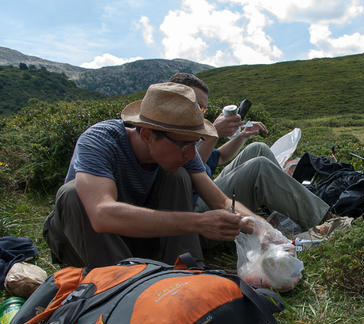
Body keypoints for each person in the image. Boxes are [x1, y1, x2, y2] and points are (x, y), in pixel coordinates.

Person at [43, 82, 259, 268]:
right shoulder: (100, 140)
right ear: (147, 134)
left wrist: (264, 231)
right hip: (84, 241)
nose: (192, 153)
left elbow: (220, 200)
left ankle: (187, 269)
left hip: (137, 237)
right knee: (73, 194)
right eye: (185, 145)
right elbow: (102, 215)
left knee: (178, 176)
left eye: (195, 143)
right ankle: (128, 284)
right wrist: (198, 221)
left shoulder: (182, 146)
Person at [167, 73, 331, 231]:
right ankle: (324, 221)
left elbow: (219, 157)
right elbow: (185, 173)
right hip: (196, 211)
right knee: (259, 167)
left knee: (258, 148)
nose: (200, 113)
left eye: (203, 109)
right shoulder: (165, 136)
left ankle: (282, 213)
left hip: (207, 193)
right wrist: (213, 133)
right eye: (196, 106)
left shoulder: (188, 130)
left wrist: (242, 136)